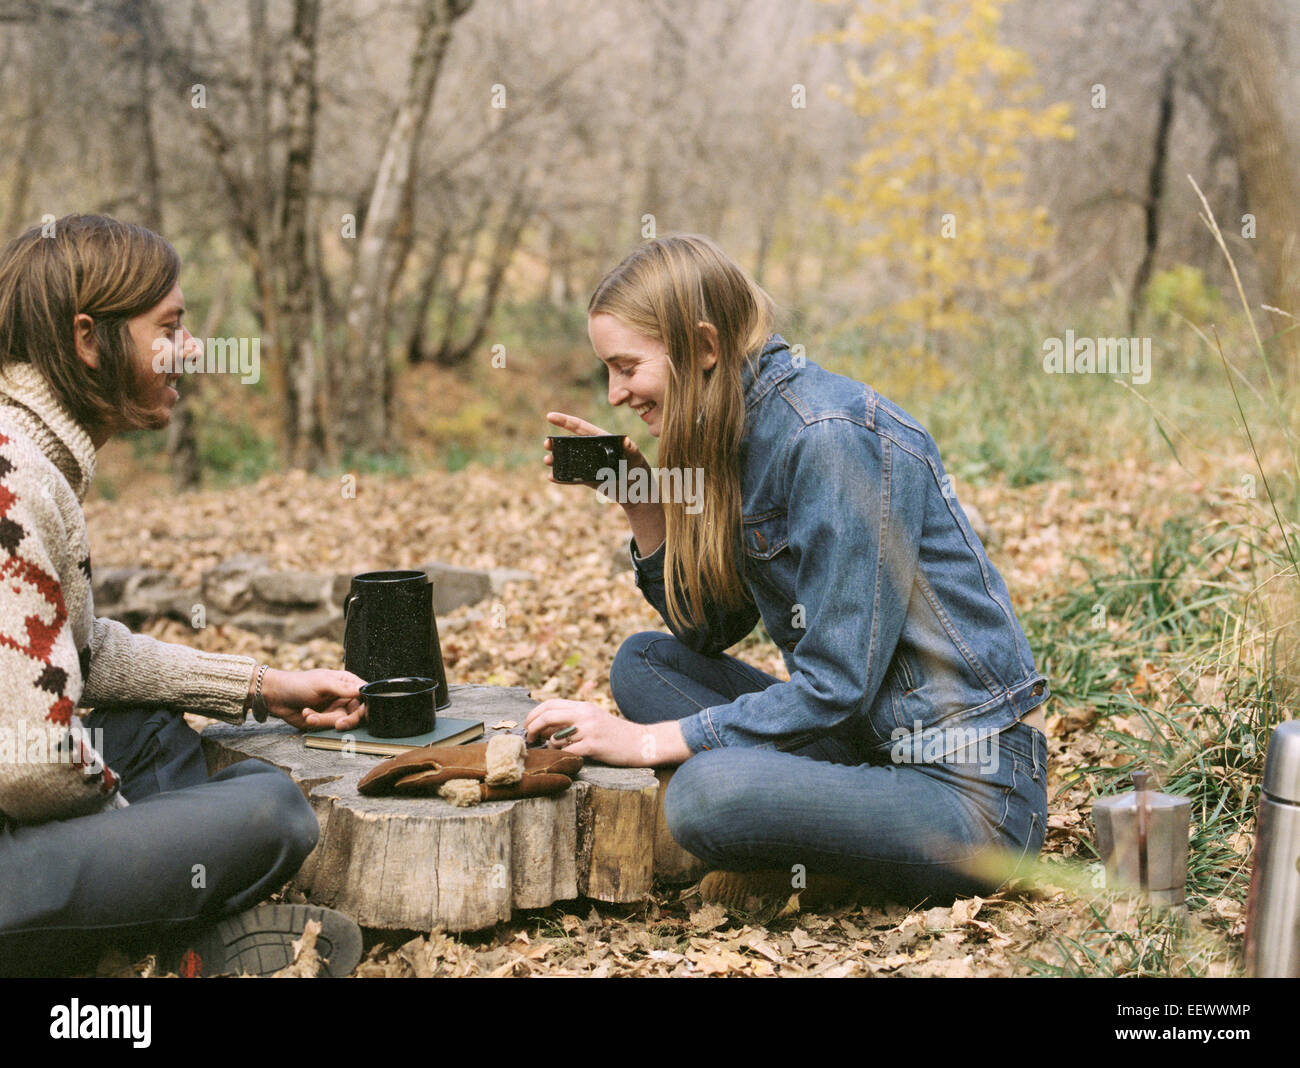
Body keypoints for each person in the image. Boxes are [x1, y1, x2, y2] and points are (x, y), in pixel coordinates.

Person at [527, 233, 1049, 908]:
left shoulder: (827, 437)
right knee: (644, 663)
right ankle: (813, 834)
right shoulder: (731, 433)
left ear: (705, 347)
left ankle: (807, 848)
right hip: (866, 750)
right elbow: (709, 632)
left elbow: (836, 684)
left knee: (704, 797)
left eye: (626, 366)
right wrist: (645, 508)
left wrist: (648, 740)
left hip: (970, 795)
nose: (616, 392)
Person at [0, 214, 366, 976]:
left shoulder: (30, 452)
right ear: (86, 339)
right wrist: (139, 843)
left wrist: (260, 686)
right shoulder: (15, 480)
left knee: (154, 733)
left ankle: (160, 944)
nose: (192, 349)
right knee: (269, 811)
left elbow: (84, 654)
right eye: (170, 326)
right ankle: (147, 953)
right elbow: (30, 763)